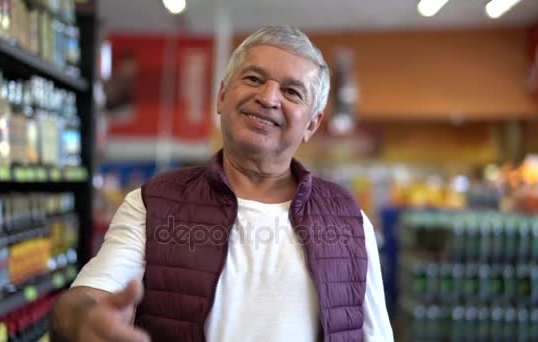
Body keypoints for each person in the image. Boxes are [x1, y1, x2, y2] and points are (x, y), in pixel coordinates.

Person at [51, 25, 394, 342]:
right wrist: (83, 322)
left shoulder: (350, 222)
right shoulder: (152, 204)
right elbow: (86, 297)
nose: (269, 97)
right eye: (254, 78)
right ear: (221, 96)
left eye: (291, 91)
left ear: (312, 124)